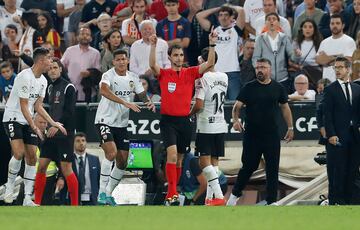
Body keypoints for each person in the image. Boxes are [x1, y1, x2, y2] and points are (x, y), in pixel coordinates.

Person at [149, 27, 217, 205]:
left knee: (179, 159)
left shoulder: (191, 72)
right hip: (168, 121)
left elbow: (209, 63)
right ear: (170, 57)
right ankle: (171, 192)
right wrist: (153, 46)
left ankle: (173, 191)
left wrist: (212, 44)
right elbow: (151, 65)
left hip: (185, 122)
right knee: (171, 155)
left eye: (181, 55)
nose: (179, 57)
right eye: (176, 55)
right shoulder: (164, 74)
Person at [1, 47, 67, 206]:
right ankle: (9, 186)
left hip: (28, 119)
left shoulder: (43, 81)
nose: (51, 62)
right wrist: (35, 126)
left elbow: (37, 106)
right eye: (49, 59)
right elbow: (23, 105)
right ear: (40, 60)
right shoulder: (24, 77)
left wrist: (53, 123)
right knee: (19, 152)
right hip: (13, 117)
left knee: (32, 157)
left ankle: (27, 198)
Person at [227, 58, 294, 206]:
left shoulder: (278, 88)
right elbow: (237, 106)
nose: (259, 70)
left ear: (269, 69)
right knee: (248, 166)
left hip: (272, 135)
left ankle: (271, 201)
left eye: (263, 67)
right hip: (252, 135)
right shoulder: (248, 87)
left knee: (272, 168)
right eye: (257, 68)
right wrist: (235, 120)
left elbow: (285, 107)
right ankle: (235, 195)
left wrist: (290, 128)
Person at [95, 49, 155, 206]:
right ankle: (101, 192)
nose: (121, 62)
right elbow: (104, 91)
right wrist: (125, 102)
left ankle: (108, 193)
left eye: (123, 59)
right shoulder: (108, 75)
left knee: (123, 162)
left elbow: (141, 94)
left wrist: (148, 101)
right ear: (113, 62)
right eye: (118, 59)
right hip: (105, 120)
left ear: (127, 60)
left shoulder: (133, 78)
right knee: (111, 153)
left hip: (121, 123)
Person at [34, 57, 78, 206]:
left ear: (60, 69)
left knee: (66, 169)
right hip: (51, 134)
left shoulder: (69, 87)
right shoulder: (50, 87)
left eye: (55, 67)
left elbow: (70, 111)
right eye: (50, 68)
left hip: (65, 134)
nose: (52, 70)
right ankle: (37, 203)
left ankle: (75, 206)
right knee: (41, 167)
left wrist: (56, 125)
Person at [189, 48, 227, 206]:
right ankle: (209, 199)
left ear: (205, 61)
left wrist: (190, 113)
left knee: (203, 163)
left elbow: (199, 104)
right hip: (220, 124)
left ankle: (218, 196)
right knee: (214, 164)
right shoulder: (224, 77)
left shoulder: (202, 79)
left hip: (206, 125)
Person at [322, 56, 360, 205]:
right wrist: (331, 134)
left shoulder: (358, 89)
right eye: (335, 68)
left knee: (353, 171)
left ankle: (353, 203)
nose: (337, 70)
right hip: (337, 137)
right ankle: (336, 202)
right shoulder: (330, 89)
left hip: (355, 137)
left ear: (348, 69)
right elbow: (327, 114)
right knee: (337, 170)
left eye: (340, 67)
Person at [196, 4, 245, 100]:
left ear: (232, 17)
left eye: (226, 14)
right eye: (221, 15)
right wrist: (218, 8)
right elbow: (199, 16)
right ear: (218, 17)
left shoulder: (236, 29)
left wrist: (227, 6)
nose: (223, 17)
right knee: (218, 102)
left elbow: (241, 10)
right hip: (216, 72)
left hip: (233, 71)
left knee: (233, 102)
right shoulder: (214, 30)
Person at [252, 12, 295, 93]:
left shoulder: (284, 38)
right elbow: (255, 58)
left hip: (283, 79)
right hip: (265, 79)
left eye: (274, 19)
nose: (271, 21)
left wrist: (296, 54)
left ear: (278, 23)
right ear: (265, 23)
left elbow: (291, 56)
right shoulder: (260, 39)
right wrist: (260, 71)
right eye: (269, 19)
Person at [61, 26, 101, 102]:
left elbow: (97, 72)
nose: (85, 36)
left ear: (91, 38)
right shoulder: (69, 50)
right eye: (82, 34)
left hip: (88, 92)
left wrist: (89, 73)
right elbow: (61, 67)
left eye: (87, 34)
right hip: (71, 90)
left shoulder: (96, 53)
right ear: (77, 37)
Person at [60, 132, 100, 205]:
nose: (81, 143)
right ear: (73, 143)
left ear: (86, 143)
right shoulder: (68, 160)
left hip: (92, 199)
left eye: (83, 140)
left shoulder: (95, 159)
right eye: (78, 141)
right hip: (73, 199)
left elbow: (98, 180)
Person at [316, 14, 356, 82]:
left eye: (337, 23)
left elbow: (348, 60)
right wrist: (339, 56)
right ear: (329, 25)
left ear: (343, 25)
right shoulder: (324, 42)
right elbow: (318, 60)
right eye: (332, 23)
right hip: (327, 82)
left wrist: (327, 59)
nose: (335, 26)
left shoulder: (349, 41)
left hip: (344, 82)